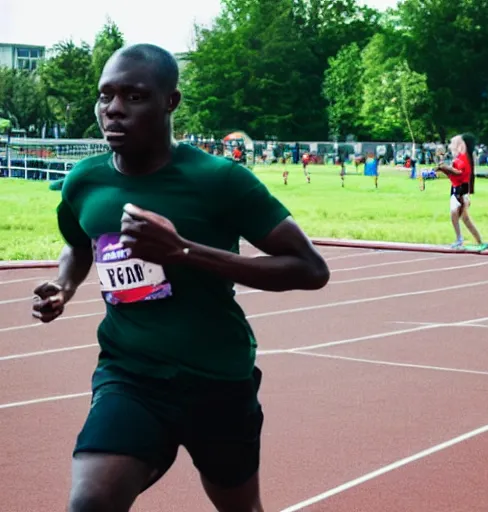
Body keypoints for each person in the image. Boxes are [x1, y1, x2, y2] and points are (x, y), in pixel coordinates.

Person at [31, 43, 330, 512]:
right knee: (90, 501)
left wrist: (183, 252)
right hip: (130, 374)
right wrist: (64, 287)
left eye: (134, 97)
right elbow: (77, 242)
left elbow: (311, 269)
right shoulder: (85, 180)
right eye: (105, 96)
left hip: (217, 377)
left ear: (171, 102)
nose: (112, 110)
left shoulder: (219, 179)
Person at [437, 133, 488, 251]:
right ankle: (478, 240)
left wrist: (444, 168)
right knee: (463, 217)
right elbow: (454, 175)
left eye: (453, 143)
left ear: (461, 145)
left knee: (455, 213)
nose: (450, 146)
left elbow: (458, 173)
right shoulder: (461, 158)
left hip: (460, 189)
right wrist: (444, 169)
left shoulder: (462, 159)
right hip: (458, 188)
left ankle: (460, 239)